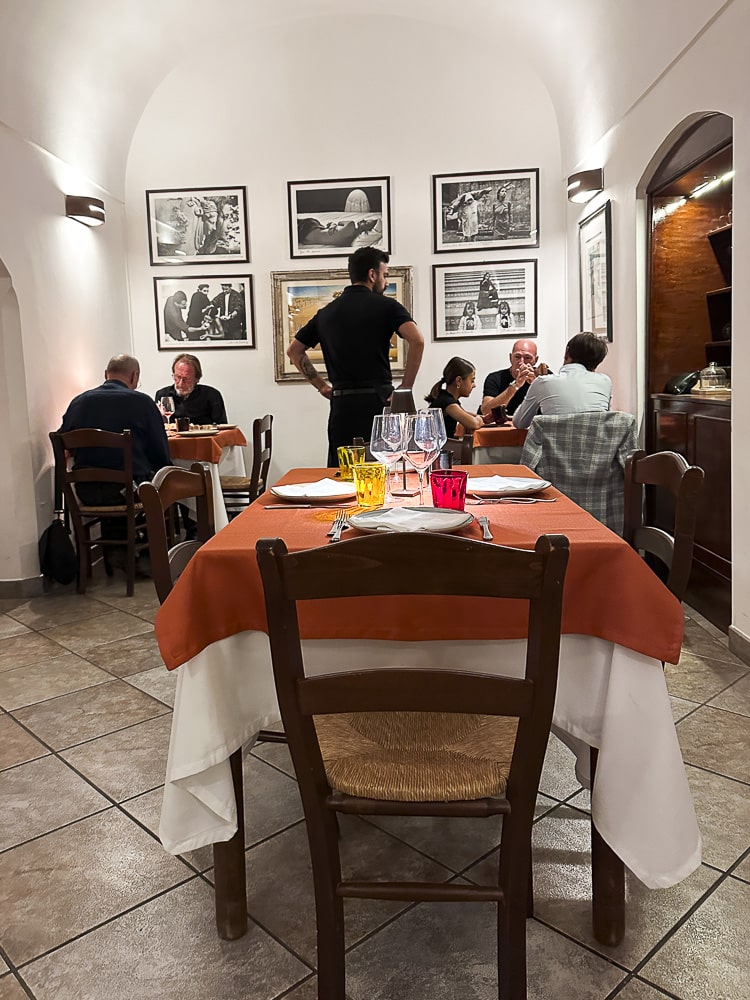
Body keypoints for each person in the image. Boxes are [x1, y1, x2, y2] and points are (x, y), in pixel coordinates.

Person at [288, 245, 425, 466]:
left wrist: (322, 386)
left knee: (343, 471)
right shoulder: (388, 306)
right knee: (384, 468)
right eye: (384, 275)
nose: (386, 282)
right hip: (378, 401)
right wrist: (406, 387)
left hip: (342, 404)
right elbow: (417, 340)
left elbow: (294, 351)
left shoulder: (326, 313)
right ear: (372, 274)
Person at [59, 355, 171, 560]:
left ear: (106, 375)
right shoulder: (142, 402)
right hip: (129, 492)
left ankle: (119, 550)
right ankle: (159, 552)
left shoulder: (79, 402)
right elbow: (160, 453)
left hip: (87, 492)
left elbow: (63, 442)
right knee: (164, 480)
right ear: (134, 376)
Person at [512, 332, 611, 429]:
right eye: (517, 356)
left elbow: (520, 423)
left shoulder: (543, 382)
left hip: (554, 440)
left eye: (527, 357)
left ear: (567, 352)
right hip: (594, 440)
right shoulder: (605, 382)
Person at [480, 339, 548, 418]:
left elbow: (554, 409)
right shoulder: (495, 378)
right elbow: (486, 411)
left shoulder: (545, 375)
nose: (521, 362)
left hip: (534, 424)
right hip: (504, 424)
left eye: (527, 358)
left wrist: (536, 384)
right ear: (510, 358)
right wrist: (515, 385)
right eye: (517, 357)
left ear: (535, 360)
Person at [154, 353, 228, 425]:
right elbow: (157, 426)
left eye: (186, 379)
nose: (180, 383)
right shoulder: (163, 395)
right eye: (177, 377)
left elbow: (223, 428)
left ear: (197, 379)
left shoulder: (211, 395)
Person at [424, 357, 485, 438]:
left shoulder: (448, 398)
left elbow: (467, 414)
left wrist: (484, 418)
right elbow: (474, 424)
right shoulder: (447, 403)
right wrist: (479, 420)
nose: (474, 385)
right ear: (458, 381)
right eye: (472, 381)